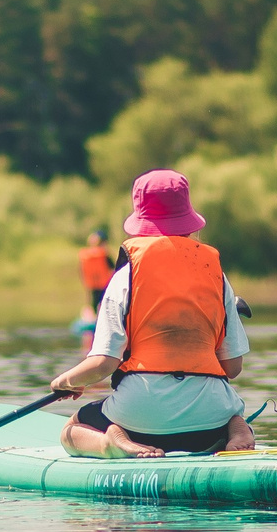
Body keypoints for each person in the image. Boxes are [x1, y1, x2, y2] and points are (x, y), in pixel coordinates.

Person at [49, 169, 253, 458]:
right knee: (230, 413)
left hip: (140, 419)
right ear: (188, 220)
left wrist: (66, 381)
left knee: (70, 431)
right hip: (209, 423)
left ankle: (111, 442)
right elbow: (233, 367)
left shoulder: (125, 274)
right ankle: (237, 428)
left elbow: (104, 363)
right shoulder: (216, 273)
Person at [77, 228, 116, 325]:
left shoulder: (85, 255)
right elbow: (113, 268)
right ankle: (100, 320)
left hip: (92, 284)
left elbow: (81, 270)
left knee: (93, 302)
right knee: (103, 303)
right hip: (104, 284)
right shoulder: (104, 254)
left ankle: (93, 317)